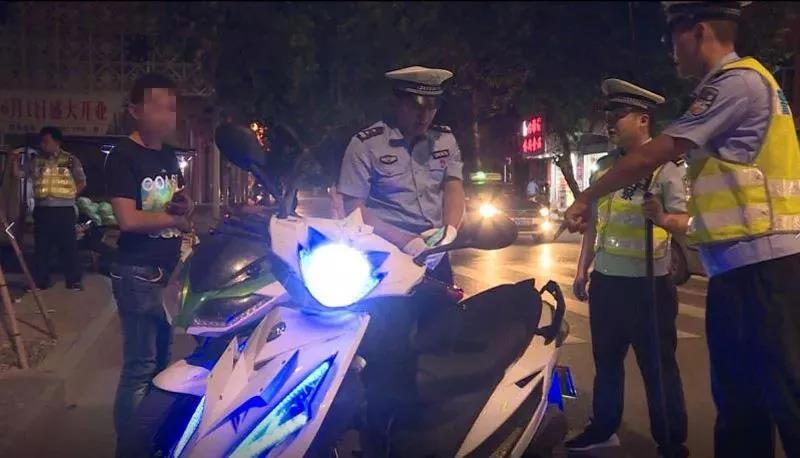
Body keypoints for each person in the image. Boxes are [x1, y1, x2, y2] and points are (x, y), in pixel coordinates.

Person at [562, 3, 800, 457]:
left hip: (764, 271)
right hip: (738, 270)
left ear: (699, 31)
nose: (670, 50)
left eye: (672, 37)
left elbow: (655, 154)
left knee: (785, 398)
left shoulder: (737, 83)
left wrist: (586, 196)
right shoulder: (738, 85)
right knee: (741, 406)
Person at [337, 65, 466, 454]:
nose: (425, 115)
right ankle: (378, 441)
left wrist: (451, 230)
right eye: (417, 106)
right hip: (387, 262)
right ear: (399, 103)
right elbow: (354, 209)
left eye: (432, 107)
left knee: (439, 349)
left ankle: (426, 435)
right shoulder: (366, 144)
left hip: (435, 260)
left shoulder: (445, 139)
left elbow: (453, 188)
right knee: (386, 355)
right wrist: (405, 241)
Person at [566, 79, 688, 456]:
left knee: (658, 368)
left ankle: (671, 442)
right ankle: (604, 428)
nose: (610, 124)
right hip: (607, 281)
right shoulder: (603, 168)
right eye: (608, 117)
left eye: (618, 116)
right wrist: (582, 268)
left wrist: (662, 216)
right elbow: (595, 221)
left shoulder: (666, 168)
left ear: (642, 120)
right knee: (606, 362)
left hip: (649, 285)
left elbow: (684, 220)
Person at [104, 73, 193, 456]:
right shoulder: (123, 156)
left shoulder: (169, 155)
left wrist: (184, 207)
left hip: (167, 271)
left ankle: (150, 444)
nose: (165, 114)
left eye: (170, 107)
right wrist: (175, 220)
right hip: (137, 272)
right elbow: (128, 219)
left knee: (161, 367)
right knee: (140, 369)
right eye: (156, 106)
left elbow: (176, 203)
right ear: (135, 110)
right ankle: (129, 450)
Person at [11, 126, 86, 290]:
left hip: (64, 210)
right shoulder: (36, 160)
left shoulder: (70, 160)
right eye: (42, 142)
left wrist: (71, 195)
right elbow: (20, 175)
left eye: (46, 141)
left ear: (57, 142)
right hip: (43, 210)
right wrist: (15, 161)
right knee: (42, 247)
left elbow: (81, 181)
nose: (43, 145)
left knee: (68, 246)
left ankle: (74, 280)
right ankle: (40, 281)